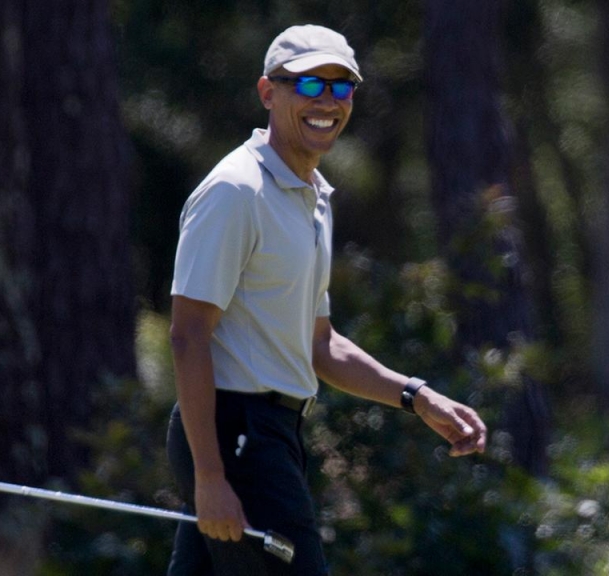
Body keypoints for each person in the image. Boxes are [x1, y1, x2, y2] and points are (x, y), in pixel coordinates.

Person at [165, 24, 488, 576]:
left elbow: (320, 343)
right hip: (236, 437)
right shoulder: (236, 190)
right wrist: (211, 478)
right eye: (310, 86)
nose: (328, 103)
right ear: (269, 92)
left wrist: (417, 396)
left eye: (342, 89)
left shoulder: (313, 196)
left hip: (274, 436)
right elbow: (188, 334)